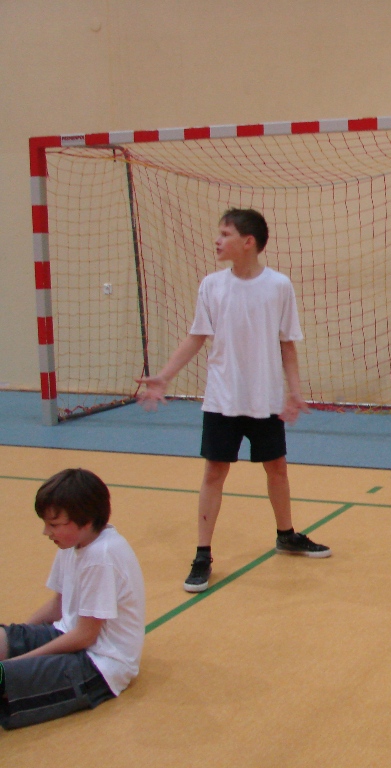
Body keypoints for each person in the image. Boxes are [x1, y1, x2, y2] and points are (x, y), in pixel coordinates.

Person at [136, 208, 330, 594]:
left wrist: (293, 390)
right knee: (214, 472)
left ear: (248, 242)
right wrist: (164, 376)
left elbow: (287, 344)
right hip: (222, 398)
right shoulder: (211, 285)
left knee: (277, 468)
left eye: (225, 234)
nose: (217, 240)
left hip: (265, 399)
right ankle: (202, 554)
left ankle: (286, 535)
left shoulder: (279, 286)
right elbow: (197, 336)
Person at [1, 468, 145, 730]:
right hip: (68, 634)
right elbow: (58, 606)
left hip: (100, 665)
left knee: (5, 678)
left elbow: (85, 636)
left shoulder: (101, 557)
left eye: (54, 525)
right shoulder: (72, 542)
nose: (46, 532)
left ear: (85, 521)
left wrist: (20, 661)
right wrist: (18, 636)